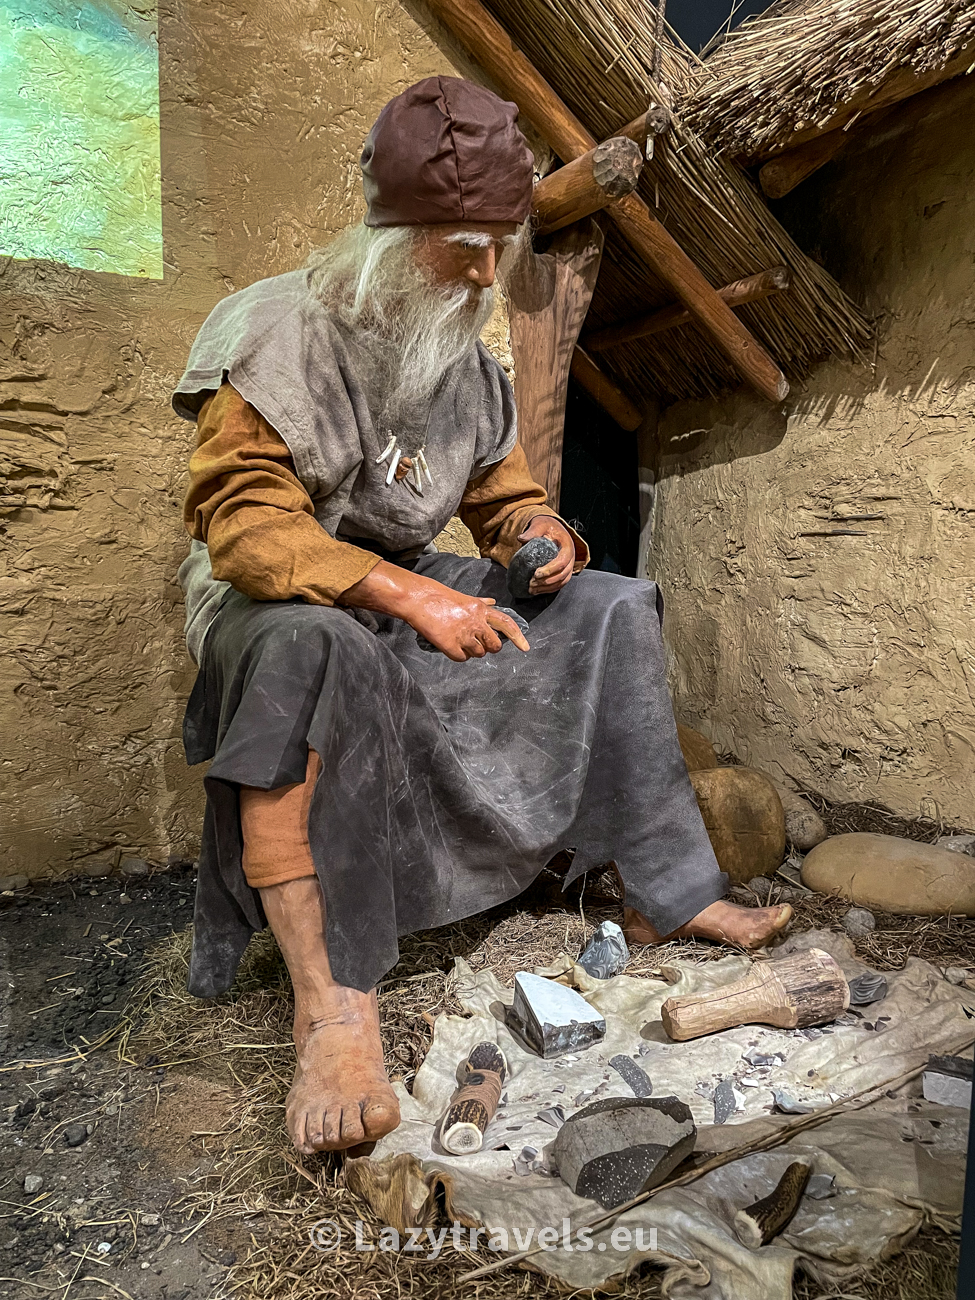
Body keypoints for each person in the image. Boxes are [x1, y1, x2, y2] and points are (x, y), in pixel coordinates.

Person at [173, 76, 791, 1157]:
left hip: (404, 591)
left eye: (496, 247)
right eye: (458, 245)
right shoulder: (276, 329)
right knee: (316, 649)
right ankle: (332, 1005)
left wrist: (538, 543)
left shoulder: (467, 362)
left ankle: (662, 885)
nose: (479, 271)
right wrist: (411, 594)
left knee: (607, 606)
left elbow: (503, 501)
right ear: (386, 231)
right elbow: (246, 529)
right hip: (275, 608)